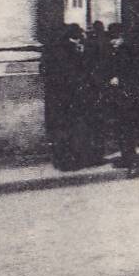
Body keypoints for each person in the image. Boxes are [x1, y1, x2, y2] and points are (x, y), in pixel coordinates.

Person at [43, 24, 99, 170]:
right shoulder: (70, 51)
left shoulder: (50, 50)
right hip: (68, 97)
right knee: (69, 129)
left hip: (54, 97)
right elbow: (76, 75)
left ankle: (60, 161)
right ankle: (68, 162)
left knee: (57, 130)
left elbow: (44, 71)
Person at [97, 23, 139, 173]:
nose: (113, 42)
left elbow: (135, 72)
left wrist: (119, 78)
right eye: (112, 39)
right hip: (119, 97)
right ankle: (127, 159)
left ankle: (132, 163)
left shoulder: (130, 50)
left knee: (128, 129)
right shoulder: (114, 51)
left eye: (116, 38)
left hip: (128, 96)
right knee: (121, 129)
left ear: (122, 37)